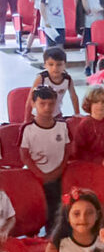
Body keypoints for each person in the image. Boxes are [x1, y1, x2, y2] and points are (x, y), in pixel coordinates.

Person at [21, 86, 72, 227]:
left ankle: (54, 232)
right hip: (36, 176)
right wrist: (40, 174)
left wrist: (58, 171)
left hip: (59, 174)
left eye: (51, 104)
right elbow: (24, 156)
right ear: (33, 104)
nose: (47, 108)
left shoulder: (63, 126)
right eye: (42, 104)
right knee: (37, 206)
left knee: (58, 207)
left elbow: (68, 151)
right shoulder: (28, 129)